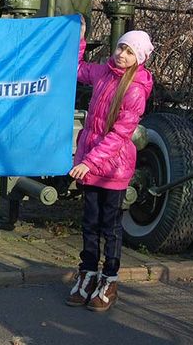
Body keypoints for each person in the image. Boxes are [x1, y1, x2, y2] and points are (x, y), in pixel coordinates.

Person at [66, 17, 154, 312]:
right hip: (92, 166)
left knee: (111, 227)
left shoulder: (135, 90)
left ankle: (109, 280)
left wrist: (88, 162)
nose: (122, 55)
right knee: (89, 223)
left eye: (129, 52)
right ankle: (88, 273)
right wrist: (80, 38)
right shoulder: (103, 73)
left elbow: (119, 135)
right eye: (120, 48)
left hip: (112, 169)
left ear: (138, 58)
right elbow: (76, 70)